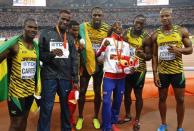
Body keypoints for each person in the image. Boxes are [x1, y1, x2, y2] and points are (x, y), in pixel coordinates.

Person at [152, 8, 193, 131]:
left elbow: (190, 49)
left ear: (171, 16)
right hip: (163, 73)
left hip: (177, 72)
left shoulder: (181, 31)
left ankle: (179, 127)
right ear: (160, 18)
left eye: (167, 16)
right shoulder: (156, 34)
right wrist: (155, 74)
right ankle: (163, 124)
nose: (164, 18)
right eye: (162, 16)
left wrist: (178, 49)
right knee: (162, 98)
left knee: (180, 99)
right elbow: (154, 55)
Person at [37, 10, 78, 131]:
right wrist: (51, 54)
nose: (65, 22)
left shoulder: (70, 38)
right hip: (49, 76)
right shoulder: (46, 33)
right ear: (57, 18)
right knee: (47, 107)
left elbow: (74, 59)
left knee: (66, 108)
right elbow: (40, 55)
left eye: (67, 20)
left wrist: (75, 79)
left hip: (65, 77)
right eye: (63, 19)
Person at [0, 18, 39, 131]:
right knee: (16, 124)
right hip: (16, 93)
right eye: (30, 27)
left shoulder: (35, 46)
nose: (33, 30)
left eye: (35, 28)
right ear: (24, 28)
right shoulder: (15, 45)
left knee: (24, 120)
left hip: (29, 91)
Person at [76, 7, 110, 130]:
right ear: (91, 15)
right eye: (95, 15)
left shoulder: (107, 28)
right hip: (85, 65)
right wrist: (79, 49)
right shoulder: (83, 27)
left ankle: (95, 117)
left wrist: (104, 56)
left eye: (99, 15)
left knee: (97, 92)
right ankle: (80, 117)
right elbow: (76, 41)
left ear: (102, 16)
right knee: (83, 91)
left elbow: (109, 45)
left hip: (99, 66)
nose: (97, 17)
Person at [97, 21, 134, 131]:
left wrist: (130, 70)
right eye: (116, 26)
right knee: (107, 102)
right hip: (109, 77)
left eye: (120, 26)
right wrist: (103, 48)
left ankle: (113, 122)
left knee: (118, 101)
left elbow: (127, 62)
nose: (118, 28)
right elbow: (98, 58)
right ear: (112, 29)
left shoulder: (126, 45)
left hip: (121, 78)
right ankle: (106, 126)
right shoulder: (107, 40)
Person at [118, 15, 152, 131]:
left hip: (139, 71)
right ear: (133, 22)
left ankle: (137, 119)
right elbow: (119, 48)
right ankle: (128, 115)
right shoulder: (126, 34)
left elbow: (149, 56)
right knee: (126, 94)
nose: (138, 25)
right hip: (127, 69)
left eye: (141, 24)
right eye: (137, 23)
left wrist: (144, 55)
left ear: (144, 25)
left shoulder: (146, 38)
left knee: (138, 95)